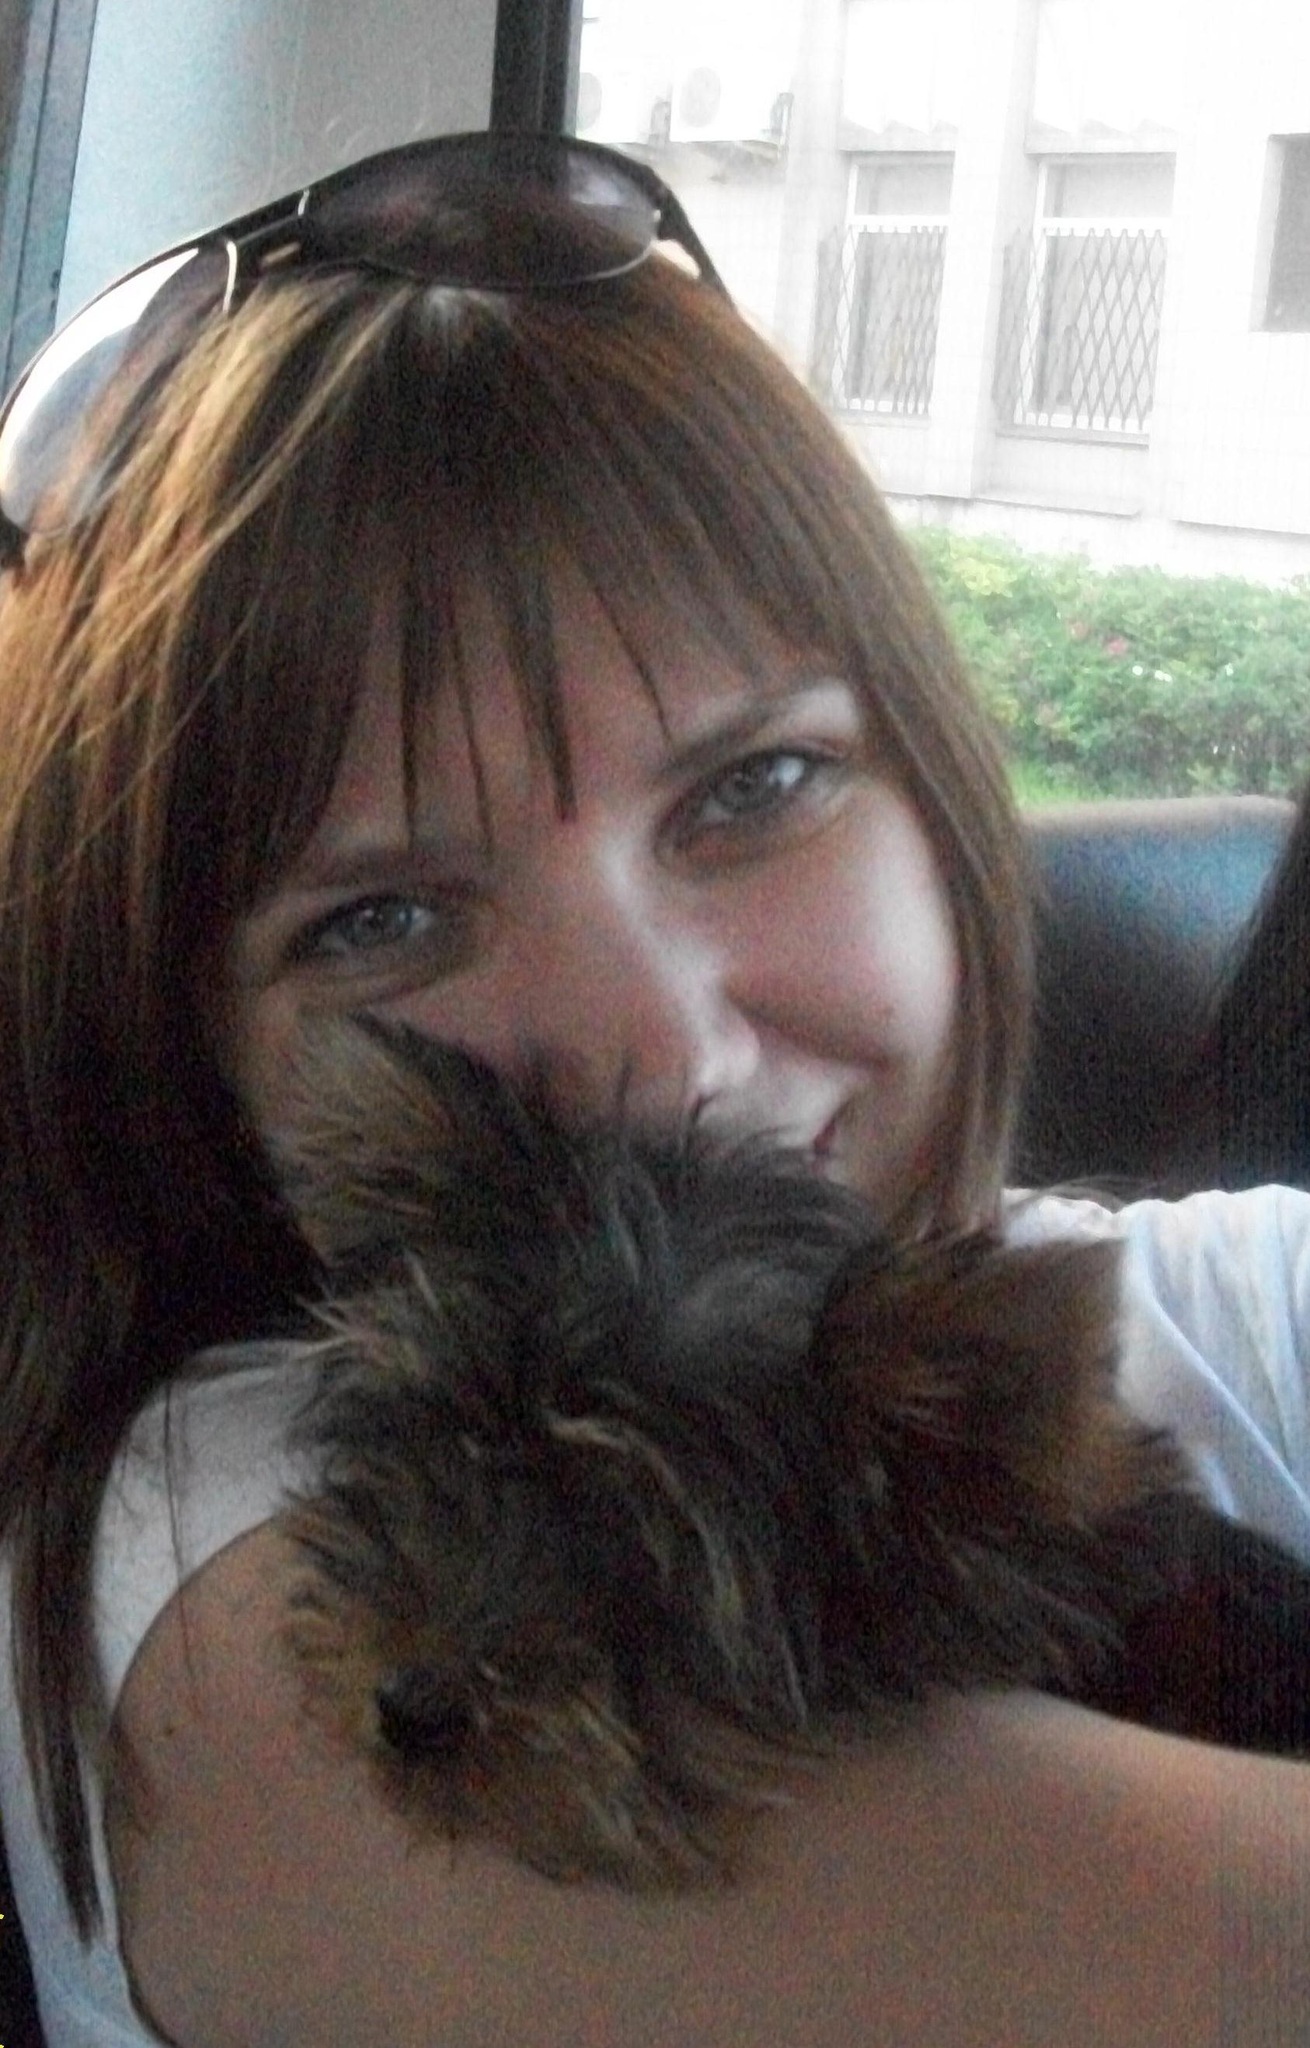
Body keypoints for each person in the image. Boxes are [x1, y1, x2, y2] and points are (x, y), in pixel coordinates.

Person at [0, 132, 1308, 2048]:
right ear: (178, 1038)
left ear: (937, 780)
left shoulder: (1186, 1319)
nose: (660, 1052)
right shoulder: (197, 1538)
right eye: (382, 918)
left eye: (753, 788)